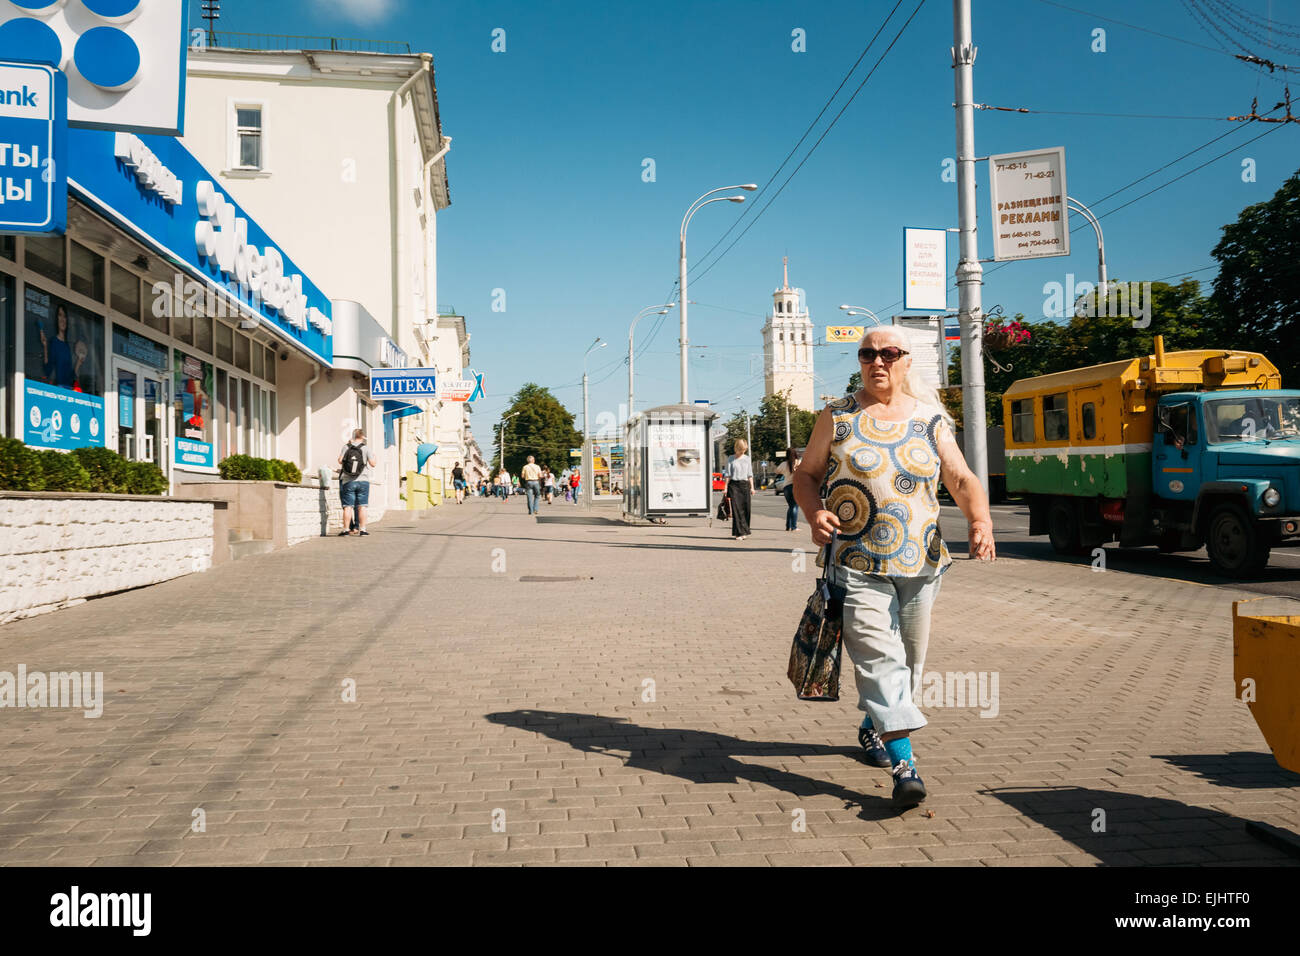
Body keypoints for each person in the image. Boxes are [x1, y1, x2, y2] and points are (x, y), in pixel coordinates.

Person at [792, 326, 995, 807]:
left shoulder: (929, 419)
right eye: (867, 354)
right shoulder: (837, 416)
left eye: (888, 354)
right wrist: (813, 512)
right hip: (855, 561)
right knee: (880, 660)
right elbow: (806, 474)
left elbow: (960, 476)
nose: (876, 361)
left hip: (922, 562)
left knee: (909, 664)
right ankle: (906, 766)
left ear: (906, 362)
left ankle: (873, 725)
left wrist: (981, 520)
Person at [337, 428, 379, 537]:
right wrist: (374, 457)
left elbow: (340, 461)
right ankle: (363, 530)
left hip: (348, 481)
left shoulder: (346, 447)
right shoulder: (366, 448)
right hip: (363, 480)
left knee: (348, 506)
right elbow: (373, 464)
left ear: (353, 436)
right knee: (362, 506)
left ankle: (346, 530)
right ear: (362, 437)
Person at [39, 305, 86, 390]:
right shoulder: (53, 342)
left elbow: (71, 376)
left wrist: (78, 363)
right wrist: (45, 346)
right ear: (56, 319)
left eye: (64, 316)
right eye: (60, 315)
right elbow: (47, 370)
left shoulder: (69, 346)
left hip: (68, 390)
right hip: (57, 389)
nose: (62, 319)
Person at [724, 438, 754, 539]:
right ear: (737, 448)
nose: (743, 451)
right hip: (734, 486)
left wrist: (752, 488)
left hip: (745, 485)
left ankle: (744, 531)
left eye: (744, 449)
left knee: (746, 509)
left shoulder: (747, 458)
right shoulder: (731, 458)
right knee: (737, 510)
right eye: (741, 449)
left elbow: (750, 474)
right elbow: (727, 474)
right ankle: (738, 533)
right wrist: (725, 488)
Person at [776, 446, 802, 532]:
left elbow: (776, 471)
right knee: (795, 506)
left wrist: (784, 472)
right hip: (795, 486)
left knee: (791, 506)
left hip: (786, 487)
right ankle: (794, 527)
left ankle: (788, 526)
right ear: (795, 454)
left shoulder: (784, 464)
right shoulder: (798, 462)